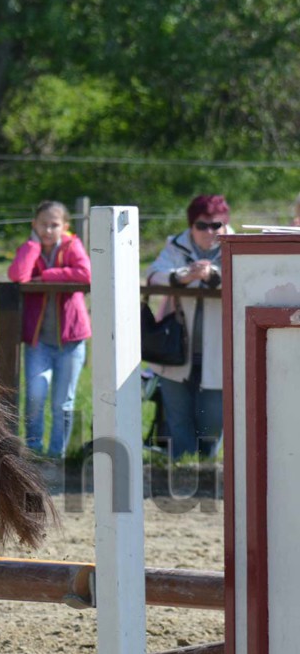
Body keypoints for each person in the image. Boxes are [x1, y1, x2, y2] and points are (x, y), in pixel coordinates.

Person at [145, 194, 229, 459]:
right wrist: (184, 276)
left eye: (216, 225)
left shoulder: (239, 246)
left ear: (225, 225)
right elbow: (153, 275)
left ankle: (207, 468)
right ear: (191, 225)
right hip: (176, 347)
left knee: (213, 421)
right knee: (179, 418)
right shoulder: (175, 245)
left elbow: (244, 277)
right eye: (202, 225)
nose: (209, 232)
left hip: (221, 350)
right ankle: (182, 471)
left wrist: (213, 275)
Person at [7, 201, 92, 460]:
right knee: (35, 395)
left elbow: (85, 274)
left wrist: (46, 276)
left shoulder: (72, 246)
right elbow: (17, 275)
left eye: (54, 225)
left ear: (65, 226)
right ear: (34, 225)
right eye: (42, 224)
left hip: (71, 340)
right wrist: (33, 247)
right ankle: (34, 450)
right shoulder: (29, 248)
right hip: (38, 341)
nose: (47, 230)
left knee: (62, 402)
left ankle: (58, 453)